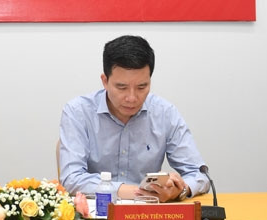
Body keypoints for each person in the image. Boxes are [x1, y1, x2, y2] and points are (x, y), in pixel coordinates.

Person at [59, 35, 209, 203]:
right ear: (105, 81)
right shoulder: (78, 112)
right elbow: (71, 179)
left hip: (148, 211)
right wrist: (138, 192)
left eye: (141, 87)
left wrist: (179, 190)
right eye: (121, 87)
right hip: (98, 210)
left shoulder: (165, 113)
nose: (131, 98)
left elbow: (199, 174)